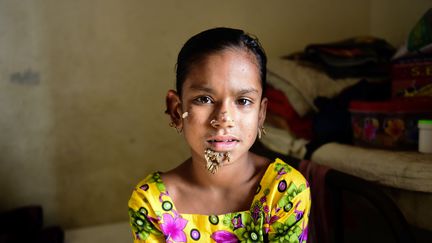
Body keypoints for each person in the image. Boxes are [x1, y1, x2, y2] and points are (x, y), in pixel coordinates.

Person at [128, 27, 310, 243]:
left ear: (261, 114)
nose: (224, 118)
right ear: (177, 110)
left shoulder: (284, 191)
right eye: (204, 99)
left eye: (243, 101)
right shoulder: (151, 203)